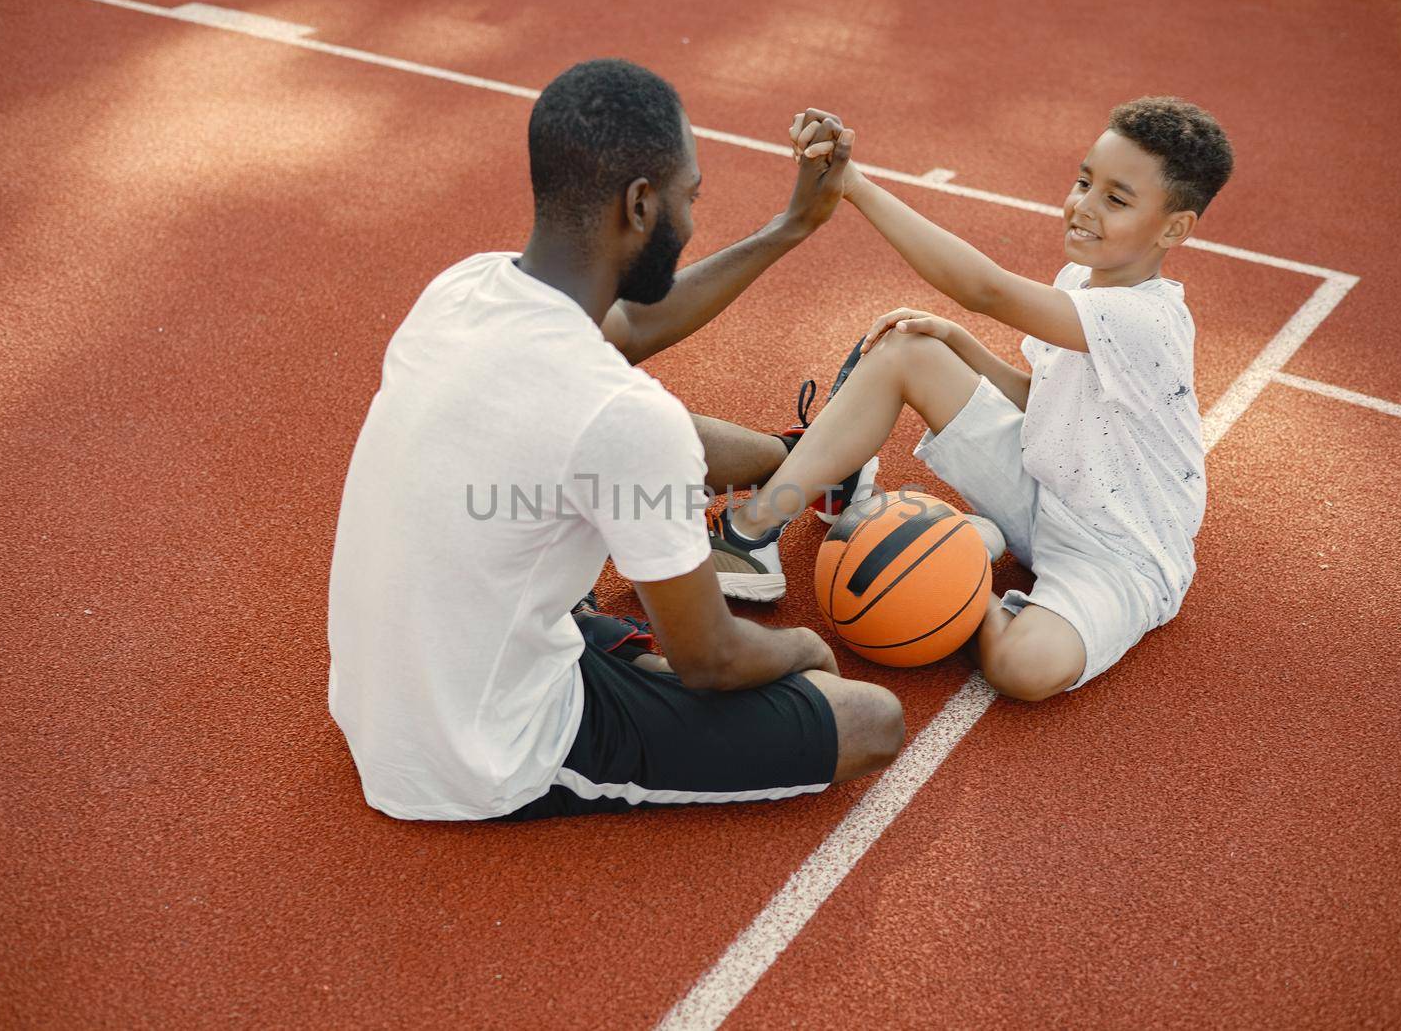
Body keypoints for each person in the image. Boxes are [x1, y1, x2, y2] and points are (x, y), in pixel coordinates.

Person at [326, 59, 903, 822]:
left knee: (612, 448)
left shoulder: (464, 288)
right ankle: (627, 643)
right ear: (640, 204)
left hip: (387, 692)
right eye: (690, 197)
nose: (693, 219)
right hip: (485, 753)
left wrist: (792, 225)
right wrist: (803, 647)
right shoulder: (622, 416)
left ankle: (805, 460)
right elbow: (713, 659)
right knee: (870, 719)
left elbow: (630, 328)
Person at [709, 99, 1234, 702]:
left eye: (1116, 199)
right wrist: (961, 346)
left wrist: (853, 184)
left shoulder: (1147, 318)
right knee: (910, 349)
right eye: (1084, 181)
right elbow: (1047, 400)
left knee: (1022, 671)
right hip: (1045, 486)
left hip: (1116, 550)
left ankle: (958, 553)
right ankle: (750, 534)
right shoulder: (1081, 282)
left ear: (1174, 228)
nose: (1084, 206)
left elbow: (983, 288)